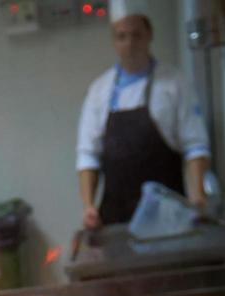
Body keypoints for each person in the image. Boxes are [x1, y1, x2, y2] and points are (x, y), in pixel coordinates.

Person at [76, 1, 213, 229]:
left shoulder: (175, 83)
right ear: (114, 41)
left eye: (136, 35)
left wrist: (197, 194)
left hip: (168, 216)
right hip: (115, 220)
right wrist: (89, 206)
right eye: (121, 36)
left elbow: (195, 145)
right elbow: (87, 155)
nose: (130, 43)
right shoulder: (98, 91)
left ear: (149, 35)